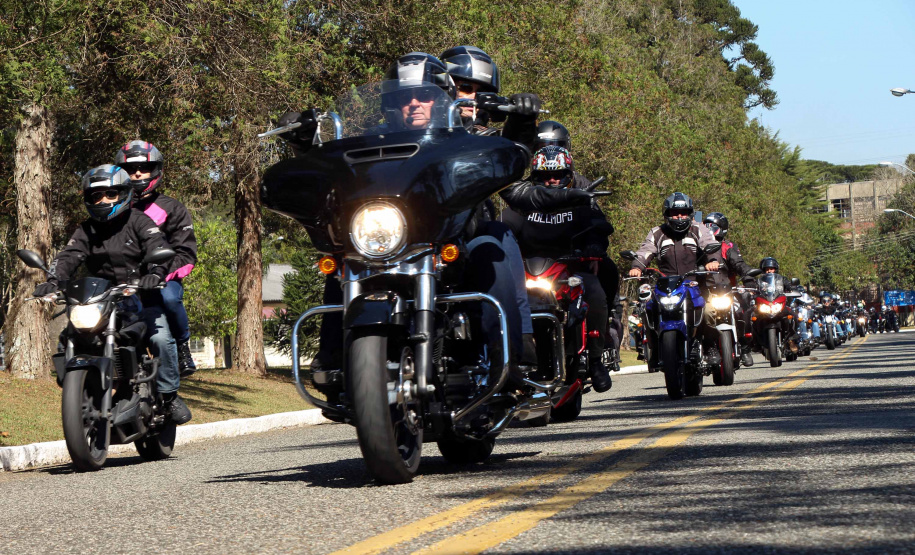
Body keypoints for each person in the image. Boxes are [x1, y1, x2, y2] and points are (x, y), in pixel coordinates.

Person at [278, 52, 535, 388]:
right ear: (389, 106)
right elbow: (335, 169)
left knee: (491, 248)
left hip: (454, 237)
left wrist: (522, 123)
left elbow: (509, 150)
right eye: (403, 98)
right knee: (342, 261)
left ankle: (508, 355)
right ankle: (333, 357)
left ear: (442, 99)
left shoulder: (469, 137)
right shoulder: (371, 143)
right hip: (392, 238)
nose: (414, 104)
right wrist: (304, 143)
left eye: (424, 97)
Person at [32, 165, 191, 424]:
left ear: (124, 194)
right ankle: (83, 390)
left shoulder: (139, 221)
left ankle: (169, 396)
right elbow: (69, 256)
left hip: (140, 296)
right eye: (96, 196)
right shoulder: (87, 229)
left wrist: (155, 273)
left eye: (110, 194)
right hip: (101, 300)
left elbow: (157, 246)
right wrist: (53, 281)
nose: (103, 200)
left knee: (161, 338)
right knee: (68, 336)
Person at [501, 146, 616, 392]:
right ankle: (509, 361)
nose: (551, 180)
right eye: (544, 176)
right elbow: (504, 227)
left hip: (572, 267)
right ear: (534, 178)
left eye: (558, 175)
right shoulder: (522, 204)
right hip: (530, 270)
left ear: (568, 175)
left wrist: (594, 247)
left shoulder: (579, 200)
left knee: (597, 287)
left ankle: (596, 359)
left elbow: (598, 226)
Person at [115, 141, 199, 378]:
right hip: (124, 283)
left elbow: (186, 254)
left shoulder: (172, 207)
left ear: (156, 170)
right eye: (131, 169)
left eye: (144, 167)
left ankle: (183, 345)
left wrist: (159, 273)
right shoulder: (114, 209)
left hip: (161, 279)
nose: (138, 173)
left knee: (171, 298)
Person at [628, 192, 722, 367]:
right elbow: (645, 251)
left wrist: (713, 261)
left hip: (694, 283)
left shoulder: (698, 229)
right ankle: (655, 349)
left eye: (684, 212)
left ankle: (710, 346)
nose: (679, 216)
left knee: (708, 310)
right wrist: (636, 267)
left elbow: (710, 244)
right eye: (675, 212)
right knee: (648, 309)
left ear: (690, 213)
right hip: (666, 286)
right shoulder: (657, 233)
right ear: (667, 214)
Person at [702, 212, 756, 366]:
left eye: (712, 226)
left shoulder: (728, 247)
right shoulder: (699, 248)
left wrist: (749, 278)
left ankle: (745, 347)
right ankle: (705, 347)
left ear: (722, 229)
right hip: (707, 292)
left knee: (742, 312)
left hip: (727, 291)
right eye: (705, 226)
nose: (708, 229)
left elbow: (739, 264)